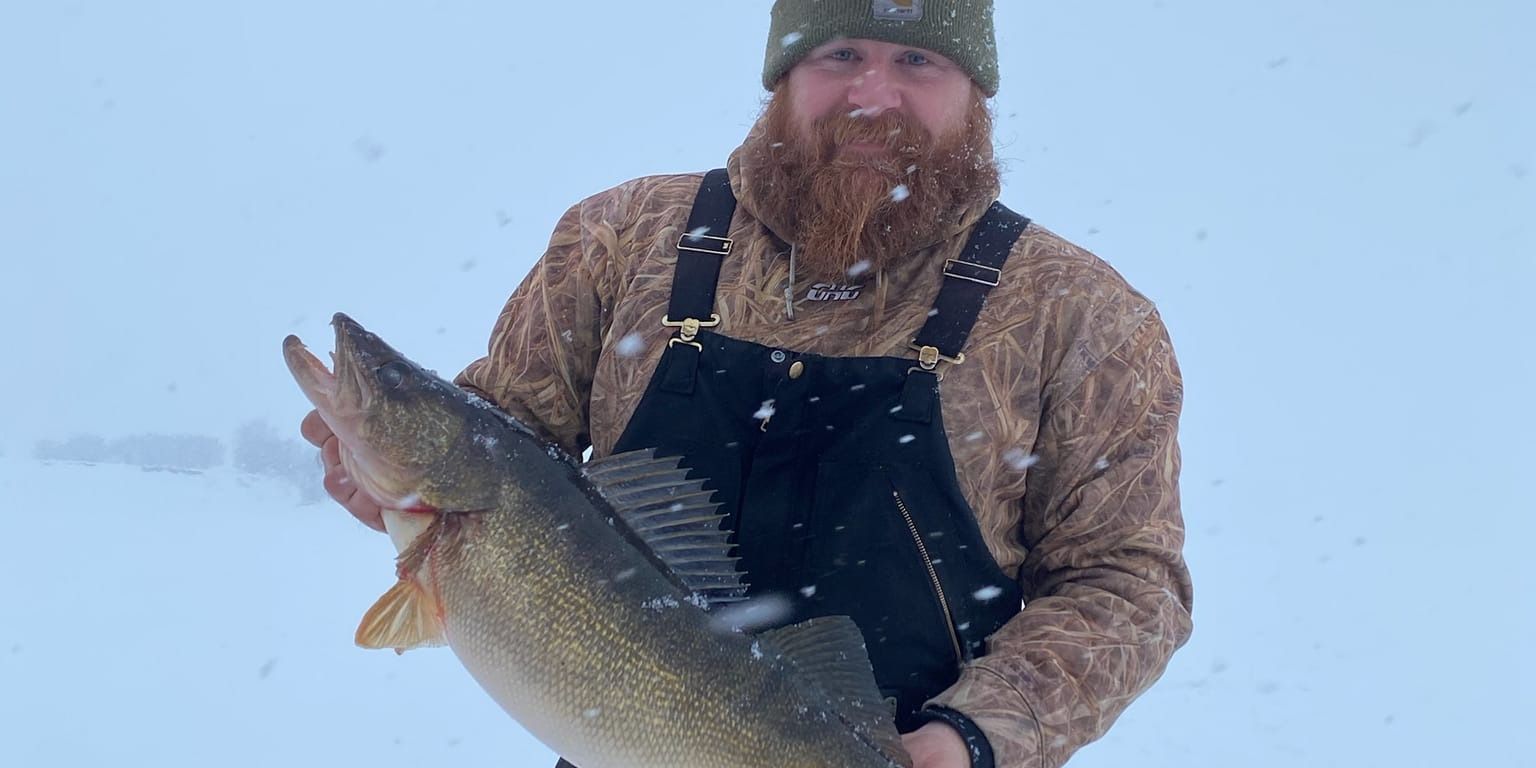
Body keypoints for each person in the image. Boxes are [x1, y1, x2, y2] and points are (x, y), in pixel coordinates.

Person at [302, 2, 1194, 766]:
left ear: (976, 91)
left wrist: (972, 734)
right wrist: (381, 480)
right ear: (783, 76)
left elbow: (1125, 583)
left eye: (917, 61)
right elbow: (502, 452)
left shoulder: (1081, 313)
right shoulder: (621, 236)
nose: (872, 95)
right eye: (839, 53)